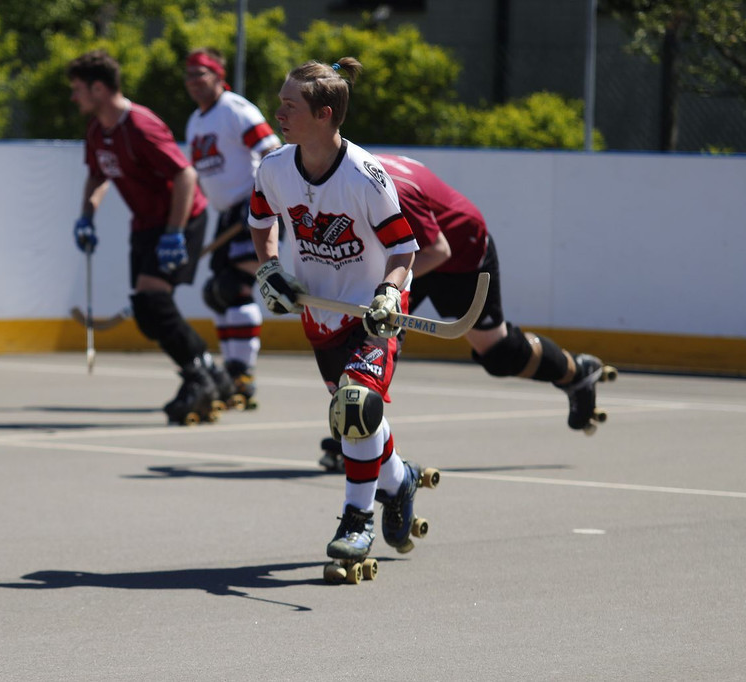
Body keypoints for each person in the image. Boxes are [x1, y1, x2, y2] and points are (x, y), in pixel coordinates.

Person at [248, 58, 438, 572]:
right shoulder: (273, 168)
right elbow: (261, 221)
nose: (278, 113)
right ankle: (400, 481)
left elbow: (404, 250)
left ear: (324, 114)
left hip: (374, 310)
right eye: (281, 102)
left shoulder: (364, 176)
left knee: (355, 406)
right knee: (354, 418)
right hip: (321, 311)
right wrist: (269, 268)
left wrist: (388, 295)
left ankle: (357, 521)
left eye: (290, 105)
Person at [317, 153, 617, 468]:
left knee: (499, 354)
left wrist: (384, 291)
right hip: (405, 256)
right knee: (362, 335)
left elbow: (437, 250)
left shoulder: (385, 187)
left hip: (458, 255)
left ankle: (576, 372)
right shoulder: (333, 180)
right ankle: (357, 432)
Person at [67, 49, 234, 425]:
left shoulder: (140, 125)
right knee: (146, 313)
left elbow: (185, 175)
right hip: (144, 224)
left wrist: (174, 233)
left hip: (180, 219)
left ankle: (198, 380)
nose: (73, 96)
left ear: (98, 88)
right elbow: (97, 175)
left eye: (78, 88)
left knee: (153, 299)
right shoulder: (96, 131)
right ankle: (212, 372)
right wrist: (86, 216)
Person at [184, 47, 282, 409]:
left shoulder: (234, 109)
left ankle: (242, 374)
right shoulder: (195, 121)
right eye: (189, 76)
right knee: (216, 294)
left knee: (235, 288)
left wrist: (261, 198)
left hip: (253, 209)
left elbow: (273, 151)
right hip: (227, 215)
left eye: (201, 74)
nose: (194, 82)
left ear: (218, 75)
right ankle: (231, 374)